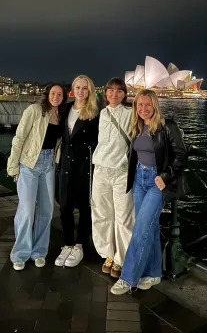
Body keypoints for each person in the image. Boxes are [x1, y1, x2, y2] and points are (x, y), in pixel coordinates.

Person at [111, 89, 187, 294]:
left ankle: (128, 278)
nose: (143, 109)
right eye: (139, 105)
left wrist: (166, 177)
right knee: (150, 228)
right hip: (139, 179)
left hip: (156, 181)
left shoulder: (166, 126)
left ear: (155, 105)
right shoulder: (138, 126)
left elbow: (181, 155)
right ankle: (154, 273)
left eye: (147, 105)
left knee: (141, 228)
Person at [7, 84, 68, 271]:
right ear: (47, 94)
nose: (56, 97)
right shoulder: (34, 110)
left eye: (60, 94)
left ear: (64, 97)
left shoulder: (61, 115)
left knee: (47, 210)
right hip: (29, 163)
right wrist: (12, 166)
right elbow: (19, 138)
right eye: (53, 93)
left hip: (48, 164)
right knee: (26, 211)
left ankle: (39, 251)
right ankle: (20, 253)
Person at [91, 77, 134, 279]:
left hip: (121, 171)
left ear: (124, 94)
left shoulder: (130, 113)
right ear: (106, 93)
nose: (114, 94)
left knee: (123, 217)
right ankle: (108, 253)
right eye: (110, 90)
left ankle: (122, 258)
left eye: (119, 91)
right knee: (101, 213)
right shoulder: (102, 112)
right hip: (100, 169)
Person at [55, 75, 99, 268]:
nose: (81, 91)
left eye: (85, 88)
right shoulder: (65, 109)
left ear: (90, 90)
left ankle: (80, 245)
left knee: (84, 207)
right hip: (65, 165)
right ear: (73, 88)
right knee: (64, 206)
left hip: (84, 166)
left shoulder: (96, 112)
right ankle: (67, 244)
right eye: (78, 87)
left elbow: (99, 141)